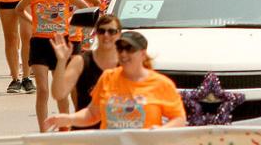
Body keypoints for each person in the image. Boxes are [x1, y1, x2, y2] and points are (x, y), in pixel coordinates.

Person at [16, 0, 95, 131]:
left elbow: (85, 8)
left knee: (61, 91)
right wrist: (32, 21)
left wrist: (69, 22)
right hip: (40, 43)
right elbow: (19, 10)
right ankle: (43, 131)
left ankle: (64, 129)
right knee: (43, 89)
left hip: (62, 44)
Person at [43, 31, 187, 130]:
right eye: (120, 48)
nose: (123, 53)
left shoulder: (161, 83)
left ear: (143, 54)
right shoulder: (108, 77)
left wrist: (162, 131)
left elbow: (179, 119)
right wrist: (69, 119)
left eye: (129, 49)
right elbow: (93, 114)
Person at [49, 14, 122, 130]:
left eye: (111, 31)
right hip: (85, 133)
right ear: (96, 33)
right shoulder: (81, 61)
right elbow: (58, 93)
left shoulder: (126, 62)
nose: (106, 35)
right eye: (101, 31)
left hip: (118, 132)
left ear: (119, 34)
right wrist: (61, 61)